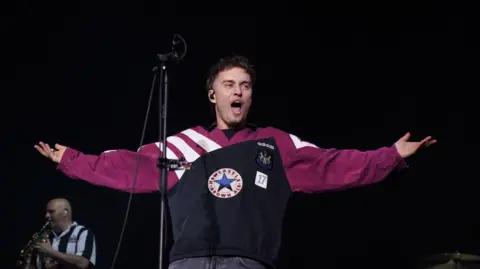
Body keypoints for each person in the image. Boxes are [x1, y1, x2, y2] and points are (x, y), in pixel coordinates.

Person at [34, 55, 436, 269]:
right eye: (229, 85)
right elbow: (125, 165)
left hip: (247, 261)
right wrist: (70, 159)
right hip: (187, 262)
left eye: (245, 85)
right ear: (213, 95)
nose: (238, 91)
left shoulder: (274, 144)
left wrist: (389, 157)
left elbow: (331, 164)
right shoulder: (186, 144)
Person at [31, 198, 96, 269]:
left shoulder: (82, 232)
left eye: (51, 212)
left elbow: (83, 263)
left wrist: (50, 252)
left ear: (65, 212)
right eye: (46, 212)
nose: (46, 216)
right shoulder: (46, 236)